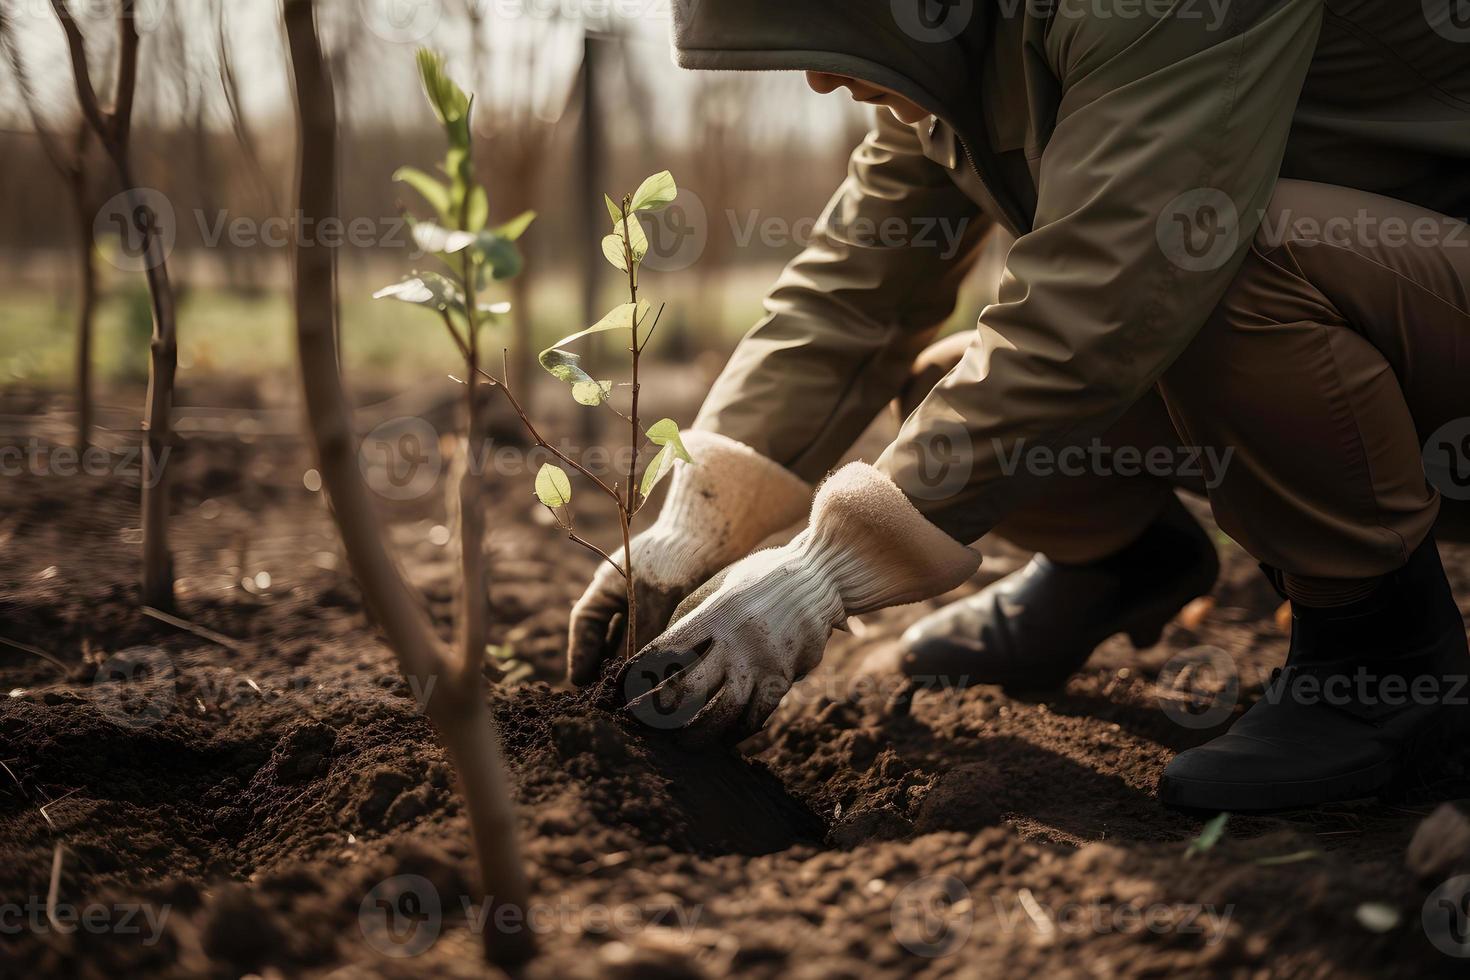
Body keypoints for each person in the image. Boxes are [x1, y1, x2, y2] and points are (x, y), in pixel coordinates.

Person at [568, 0, 1470, 810]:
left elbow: (1111, 288)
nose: (816, 76)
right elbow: (854, 291)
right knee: (942, 386)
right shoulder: (959, 56)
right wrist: (692, 525)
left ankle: (1379, 650)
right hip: (1397, 348)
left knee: (1218, 255)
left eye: (829, 33)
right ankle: (1115, 564)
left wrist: (820, 574)